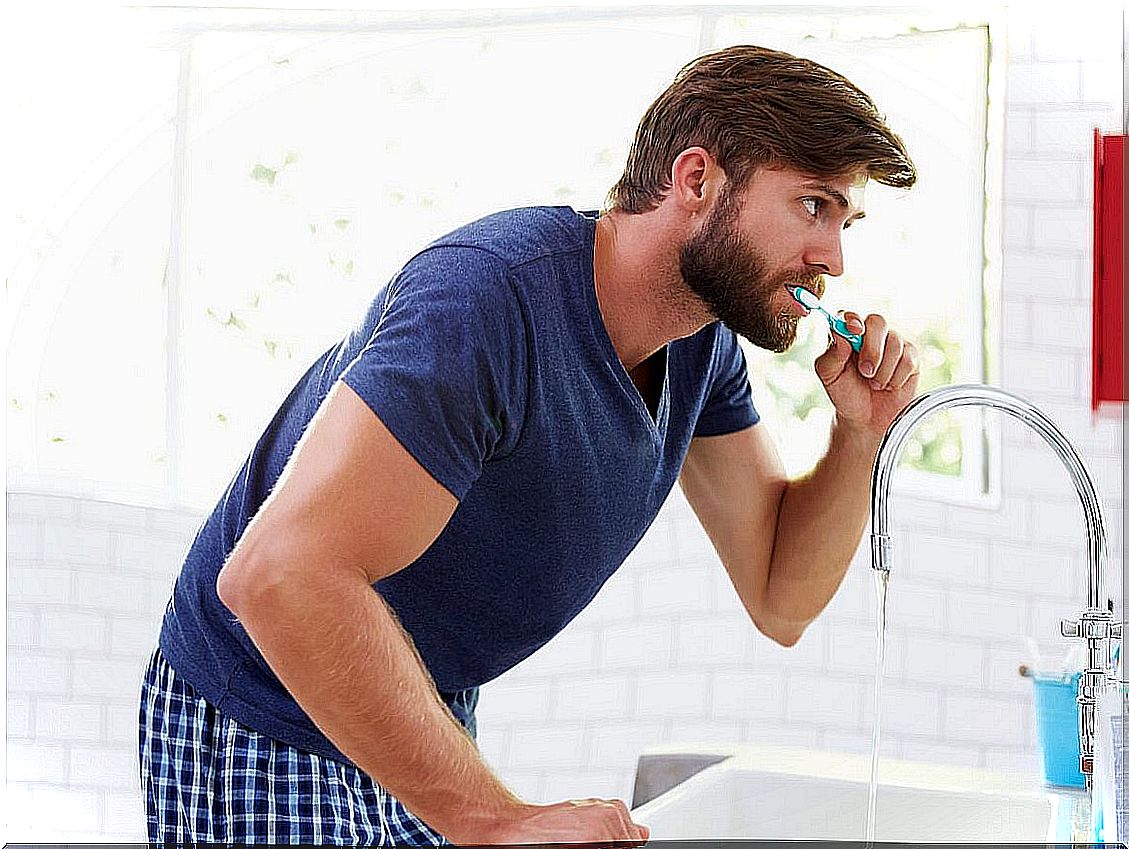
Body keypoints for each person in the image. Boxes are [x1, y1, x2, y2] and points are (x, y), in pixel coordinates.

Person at [139, 43, 918, 845]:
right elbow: (277, 577)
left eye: (843, 220)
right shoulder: (486, 302)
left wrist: (859, 434)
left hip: (412, 701)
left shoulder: (699, 346)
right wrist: (495, 817)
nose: (832, 258)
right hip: (267, 708)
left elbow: (780, 597)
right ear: (696, 181)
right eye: (813, 206)